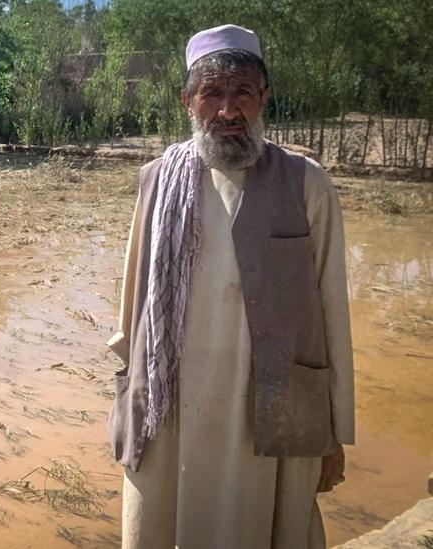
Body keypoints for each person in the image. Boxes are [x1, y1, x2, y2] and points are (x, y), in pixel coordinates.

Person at [106, 24, 355, 549]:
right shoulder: (157, 181)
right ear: (187, 102)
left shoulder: (306, 183)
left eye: (242, 92)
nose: (227, 110)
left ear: (263, 98)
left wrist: (334, 430)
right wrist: (128, 395)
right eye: (211, 93)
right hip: (171, 407)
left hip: (269, 405)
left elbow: (333, 313)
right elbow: (133, 308)